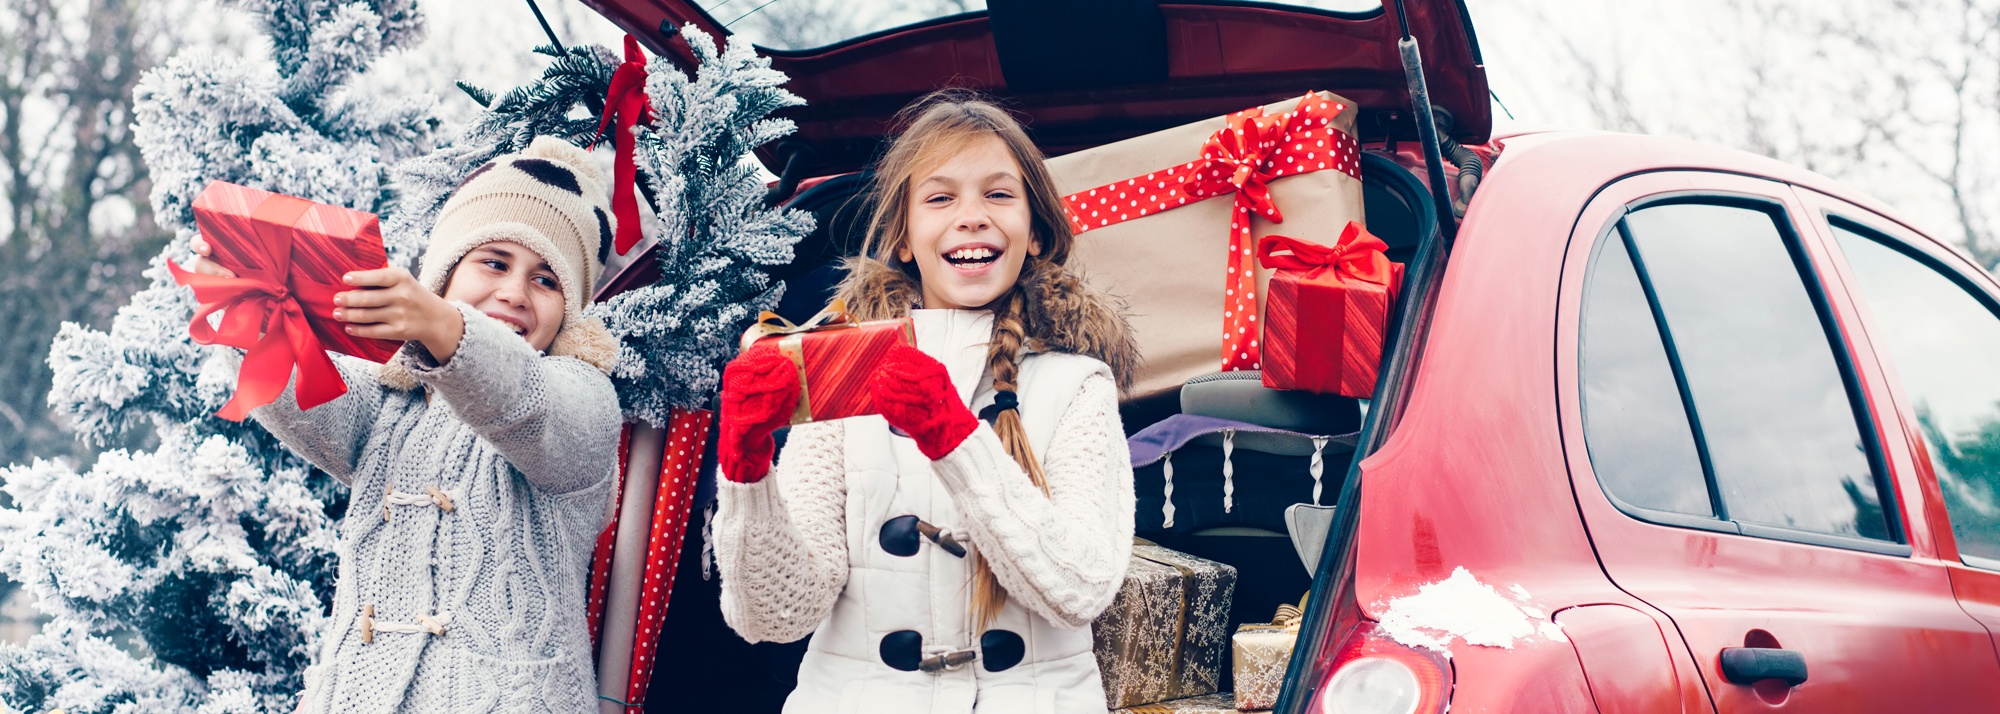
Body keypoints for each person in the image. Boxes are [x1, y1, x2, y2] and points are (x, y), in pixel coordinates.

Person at [711, 90, 1141, 713]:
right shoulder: (837, 377)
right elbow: (776, 616)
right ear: (905, 239)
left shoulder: (1080, 385)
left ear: (1037, 234)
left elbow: (1078, 590)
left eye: (998, 194)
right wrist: (746, 473)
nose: (971, 216)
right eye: (941, 198)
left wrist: (956, 439)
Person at [185, 137, 623, 713]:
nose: (514, 292)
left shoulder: (584, 400)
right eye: (494, 262)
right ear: (441, 276)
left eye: (546, 280)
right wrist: (242, 308)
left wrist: (446, 327)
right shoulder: (391, 404)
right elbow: (301, 390)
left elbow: (531, 402)